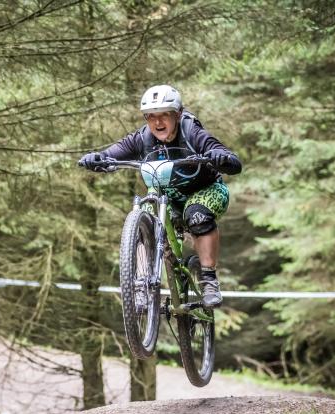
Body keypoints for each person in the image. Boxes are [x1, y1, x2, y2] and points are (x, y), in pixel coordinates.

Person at [79, 84, 242, 308]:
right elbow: (112, 154)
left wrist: (220, 157)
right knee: (143, 217)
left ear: (177, 115)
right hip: (166, 200)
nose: (158, 123)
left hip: (206, 191)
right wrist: (98, 158)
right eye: (151, 117)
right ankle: (141, 284)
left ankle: (208, 280)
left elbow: (224, 155)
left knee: (197, 214)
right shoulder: (142, 138)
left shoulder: (191, 132)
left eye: (164, 115)